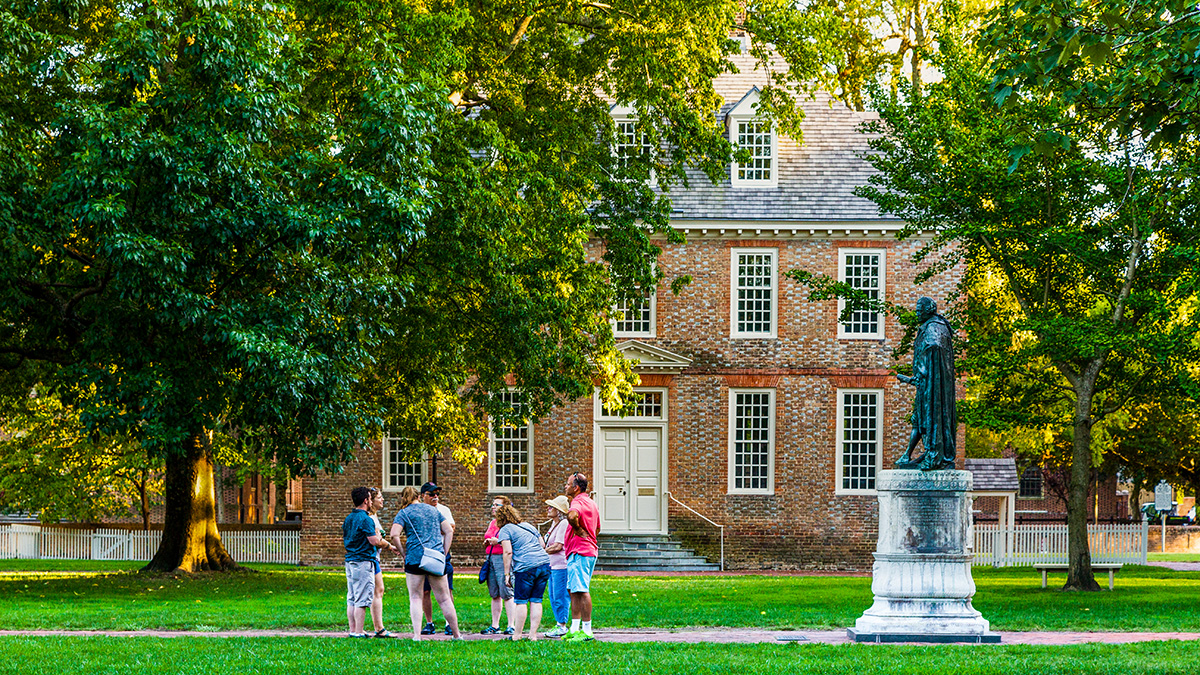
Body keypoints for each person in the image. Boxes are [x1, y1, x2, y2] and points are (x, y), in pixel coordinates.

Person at [389, 486, 462, 641]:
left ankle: (417, 635)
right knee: (444, 599)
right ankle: (457, 634)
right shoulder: (433, 510)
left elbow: (394, 534)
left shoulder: (404, 513)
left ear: (404, 498)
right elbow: (449, 530)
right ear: (419, 496)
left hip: (414, 558)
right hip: (435, 558)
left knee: (415, 597)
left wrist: (403, 553)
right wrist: (444, 551)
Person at [895, 296, 958, 471]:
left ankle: (932, 454)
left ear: (928, 310)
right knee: (919, 419)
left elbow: (933, 348)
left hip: (930, 386)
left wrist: (922, 373)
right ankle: (911, 454)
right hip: (928, 384)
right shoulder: (936, 326)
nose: (916, 312)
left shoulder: (933, 328)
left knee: (924, 418)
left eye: (919, 309)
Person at [343, 486, 396, 638]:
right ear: (366, 500)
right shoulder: (365, 519)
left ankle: (353, 629)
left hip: (350, 560)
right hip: (363, 560)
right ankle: (359, 632)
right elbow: (373, 541)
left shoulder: (349, 518)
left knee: (352, 597)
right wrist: (379, 536)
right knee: (362, 598)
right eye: (371, 498)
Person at [495, 504, 551, 640]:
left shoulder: (505, 529)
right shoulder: (528, 526)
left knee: (521, 601)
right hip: (544, 564)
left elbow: (508, 551)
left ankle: (517, 635)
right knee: (537, 600)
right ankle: (533, 635)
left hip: (525, 567)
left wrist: (507, 574)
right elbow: (543, 545)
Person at [562, 472, 600, 642]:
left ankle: (587, 631)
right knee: (574, 590)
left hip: (580, 551)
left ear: (575, 487)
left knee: (582, 590)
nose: (565, 486)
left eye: (568, 484)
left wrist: (577, 530)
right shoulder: (591, 503)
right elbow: (598, 527)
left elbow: (571, 516)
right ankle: (575, 628)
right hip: (585, 551)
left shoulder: (577, 502)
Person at [419, 482, 455, 636]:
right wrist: (440, 528)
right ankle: (429, 623)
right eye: (432, 494)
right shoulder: (418, 511)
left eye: (437, 494)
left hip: (442, 554)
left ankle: (449, 624)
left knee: (447, 589)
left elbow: (451, 528)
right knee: (425, 590)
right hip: (424, 554)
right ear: (422, 496)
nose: (435, 497)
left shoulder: (444, 510)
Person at [481, 495, 516, 635]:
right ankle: (495, 625)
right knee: (494, 593)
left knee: (506, 592)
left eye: (496, 505)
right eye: (493, 505)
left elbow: (513, 543)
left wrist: (498, 541)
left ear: (505, 508)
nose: (493, 507)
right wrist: (488, 542)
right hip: (491, 558)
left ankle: (511, 625)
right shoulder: (492, 523)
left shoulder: (510, 525)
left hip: (503, 558)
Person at [541, 495, 571, 637]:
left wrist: (540, 552)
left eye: (551, 507)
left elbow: (558, 546)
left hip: (561, 566)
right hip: (552, 566)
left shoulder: (564, 524)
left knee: (560, 596)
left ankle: (562, 625)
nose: (548, 509)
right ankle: (559, 623)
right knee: (553, 596)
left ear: (559, 511)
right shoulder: (554, 524)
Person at [365, 488, 392, 638]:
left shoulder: (374, 516)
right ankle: (379, 628)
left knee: (378, 590)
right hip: (371, 558)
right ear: (371, 501)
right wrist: (389, 546)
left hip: (375, 558)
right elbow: (376, 540)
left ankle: (378, 627)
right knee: (377, 591)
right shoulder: (370, 517)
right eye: (380, 498)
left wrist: (389, 545)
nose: (382, 500)